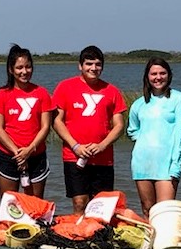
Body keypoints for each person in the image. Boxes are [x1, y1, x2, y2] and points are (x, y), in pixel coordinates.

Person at [52, 45, 127, 213]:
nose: (94, 68)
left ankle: (97, 237)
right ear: (80, 66)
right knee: (80, 202)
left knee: (101, 206)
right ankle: (80, 237)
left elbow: (119, 125)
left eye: (98, 64)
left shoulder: (112, 91)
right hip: (74, 155)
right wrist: (75, 146)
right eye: (89, 64)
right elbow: (57, 121)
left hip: (103, 158)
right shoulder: (65, 87)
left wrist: (102, 145)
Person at [0, 44, 54, 198]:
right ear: (11, 69)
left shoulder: (42, 93)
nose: (24, 72)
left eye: (28, 67)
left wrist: (29, 150)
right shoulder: (1, 94)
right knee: (10, 206)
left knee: (35, 206)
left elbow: (45, 127)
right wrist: (18, 154)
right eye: (19, 67)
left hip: (36, 156)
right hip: (8, 156)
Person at [126, 57, 181, 215]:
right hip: (142, 163)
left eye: (162, 73)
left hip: (167, 166)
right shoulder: (139, 104)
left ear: (169, 75)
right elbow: (132, 130)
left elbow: (180, 136)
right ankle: (149, 240)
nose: (158, 77)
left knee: (164, 212)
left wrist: (176, 165)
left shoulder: (179, 99)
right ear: (147, 76)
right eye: (153, 73)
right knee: (147, 210)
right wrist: (145, 140)